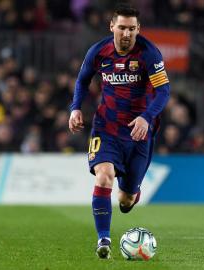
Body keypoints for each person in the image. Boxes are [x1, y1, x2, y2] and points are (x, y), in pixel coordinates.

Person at [68, 4, 170, 259]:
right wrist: (75, 108)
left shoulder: (148, 53)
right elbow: (82, 80)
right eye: (122, 27)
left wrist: (146, 118)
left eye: (131, 29)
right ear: (112, 26)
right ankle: (103, 239)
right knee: (104, 177)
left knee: (125, 201)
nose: (126, 33)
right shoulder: (98, 52)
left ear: (138, 29)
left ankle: (132, 193)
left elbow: (163, 91)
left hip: (139, 133)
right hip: (107, 128)